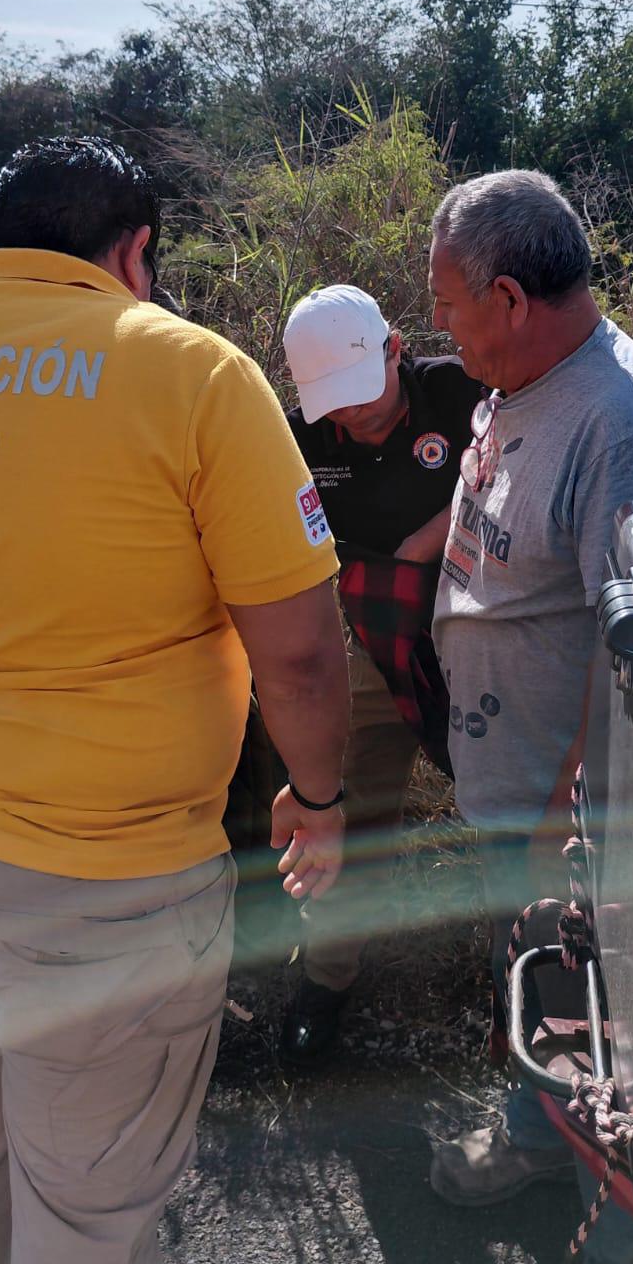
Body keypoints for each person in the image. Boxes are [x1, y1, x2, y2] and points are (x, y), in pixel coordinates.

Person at [0, 136, 350, 1264]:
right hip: (107, 880)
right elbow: (297, 653)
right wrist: (321, 798)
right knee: (91, 1206)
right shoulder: (190, 371)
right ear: (135, 250)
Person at [425, 170, 633, 1264]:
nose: (438, 328)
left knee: (614, 1031)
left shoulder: (625, 424)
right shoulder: (519, 377)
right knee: (541, 991)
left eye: (447, 302)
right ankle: (543, 1139)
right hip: (516, 785)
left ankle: (631, 1239)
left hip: (578, 819)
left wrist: (565, 820)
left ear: (507, 296)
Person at [278, 284, 480, 1064]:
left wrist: (430, 537)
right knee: (348, 811)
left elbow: (513, 475)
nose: (348, 419)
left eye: (360, 398)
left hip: (478, 624)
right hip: (372, 640)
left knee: (513, 802)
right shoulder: (301, 439)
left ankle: (536, 987)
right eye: (332, 404)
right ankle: (326, 978)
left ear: (395, 348)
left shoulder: (459, 393)